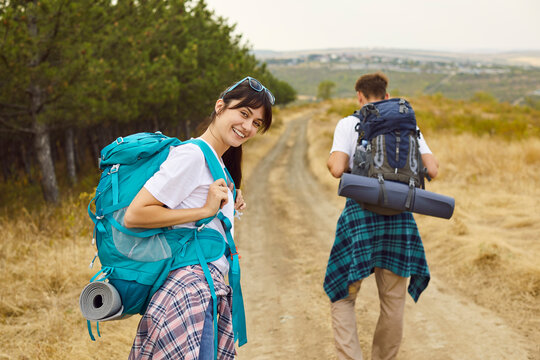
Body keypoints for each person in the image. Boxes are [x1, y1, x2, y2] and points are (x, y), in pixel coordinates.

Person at [123, 76, 275, 360]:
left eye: (256, 123)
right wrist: (205, 211)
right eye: (243, 114)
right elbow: (135, 214)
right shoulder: (191, 156)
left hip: (204, 290)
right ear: (220, 107)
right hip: (190, 292)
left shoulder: (215, 161)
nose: (247, 127)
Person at [324, 72, 439, 360]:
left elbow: (337, 169)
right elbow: (433, 170)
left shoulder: (350, 123)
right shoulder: (407, 125)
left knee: (343, 294)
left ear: (359, 97)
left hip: (360, 217)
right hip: (400, 219)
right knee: (393, 302)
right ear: (387, 96)